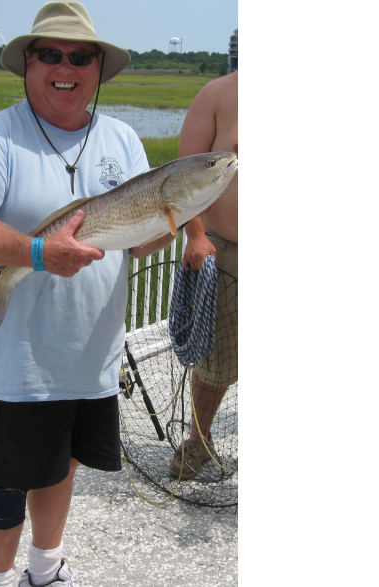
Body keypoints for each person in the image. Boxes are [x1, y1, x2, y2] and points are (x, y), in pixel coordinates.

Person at [0, 3, 175, 586]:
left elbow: (136, 245)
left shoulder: (122, 139)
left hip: (88, 362)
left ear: (98, 69)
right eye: (50, 54)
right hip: (7, 367)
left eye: (81, 56)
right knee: (6, 482)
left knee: (59, 468)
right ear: (28, 64)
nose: (66, 67)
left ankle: (45, 570)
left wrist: (178, 217)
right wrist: (39, 255)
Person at [169, 71, 239, 480]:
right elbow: (182, 176)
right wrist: (195, 235)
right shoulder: (217, 93)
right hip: (223, 247)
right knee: (215, 360)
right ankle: (198, 440)